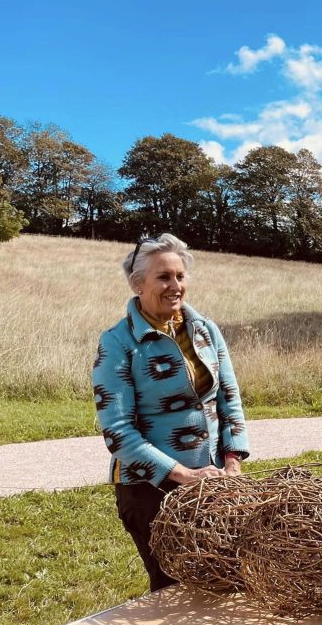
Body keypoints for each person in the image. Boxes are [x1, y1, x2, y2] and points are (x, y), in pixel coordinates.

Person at [92, 233, 250, 592]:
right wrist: (182, 475)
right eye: (163, 277)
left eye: (180, 276)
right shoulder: (117, 342)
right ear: (137, 284)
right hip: (149, 490)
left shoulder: (205, 330)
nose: (174, 286)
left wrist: (232, 463)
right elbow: (118, 431)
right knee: (174, 591)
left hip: (214, 481)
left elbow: (229, 398)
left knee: (225, 581)